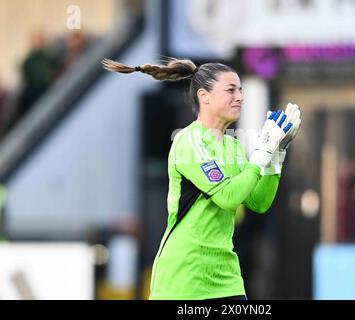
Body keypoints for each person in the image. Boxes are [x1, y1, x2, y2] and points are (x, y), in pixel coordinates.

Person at [102, 57, 301, 300]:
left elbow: (258, 202)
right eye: (230, 90)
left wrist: (276, 155)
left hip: (225, 276)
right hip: (183, 278)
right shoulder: (189, 141)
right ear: (204, 96)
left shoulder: (234, 147)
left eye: (240, 90)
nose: (239, 96)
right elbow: (228, 197)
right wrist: (262, 153)